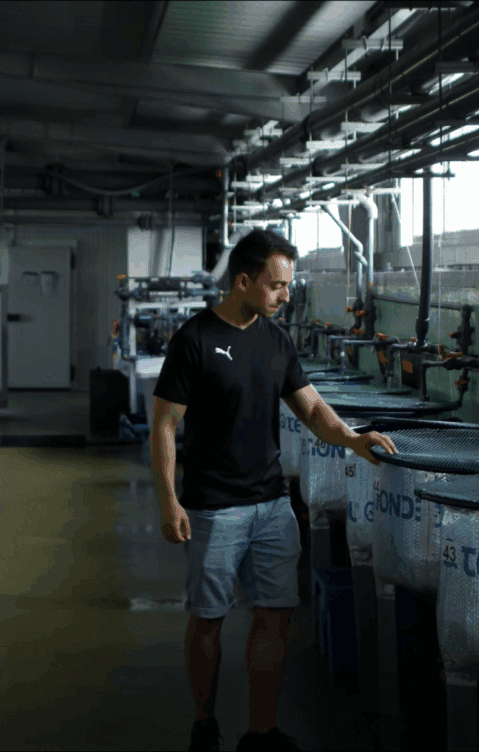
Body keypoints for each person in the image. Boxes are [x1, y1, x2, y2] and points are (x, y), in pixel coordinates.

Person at [149, 228, 399, 752]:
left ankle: (261, 731)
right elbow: (167, 423)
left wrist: (353, 440)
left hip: (271, 505)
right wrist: (170, 499)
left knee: (275, 616)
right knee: (209, 621)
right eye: (277, 284)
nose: (287, 294)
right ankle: (203, 722)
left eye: (288, 284)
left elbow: (309, 407)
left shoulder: (276, 340)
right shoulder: (194, 340)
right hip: (214, 507)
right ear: (244, 281)